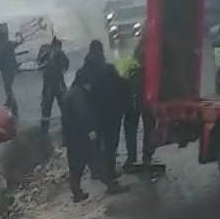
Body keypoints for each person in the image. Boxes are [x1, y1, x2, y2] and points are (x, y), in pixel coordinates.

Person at [82, 39, 129, 192]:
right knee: (110, 146)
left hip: (94, 115)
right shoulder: (108, 70)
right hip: (111, 114)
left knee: (97, 144)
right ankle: (110, 177)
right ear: (101, 52)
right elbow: (122, 87)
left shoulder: (85, 71)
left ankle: (97, 171)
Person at [116, 39, 154, 171]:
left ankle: (132, 157)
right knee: (149, 129)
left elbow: (121, 80)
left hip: (133, 102)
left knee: (132, 129)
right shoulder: (151, 66)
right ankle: (147, 157)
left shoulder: (130, 64)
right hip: (145, 102)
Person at [62, 67, 97, 202]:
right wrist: (90, 130)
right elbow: (82, 114)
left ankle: (77, 192)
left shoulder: (72, 92)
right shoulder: (78, 95)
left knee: (77, 166)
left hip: (72, 136)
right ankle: (110, 184)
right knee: (88, 162)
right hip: (79, 136)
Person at [37, 36, 69, 133]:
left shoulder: (53, 54)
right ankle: (46, 129)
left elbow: (66, 64)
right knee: (49, 109)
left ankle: (45, 129)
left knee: (53, 109)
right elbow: (66, 65)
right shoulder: (49, 53)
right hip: (53, 86)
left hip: (53, 85)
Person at [0, 29, 19, 117]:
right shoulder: (9, 43)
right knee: (8, 86)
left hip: (5, 69)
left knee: (8, 87)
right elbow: (18, 43)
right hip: (12, 68)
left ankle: (14, 106)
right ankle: (9, 102)